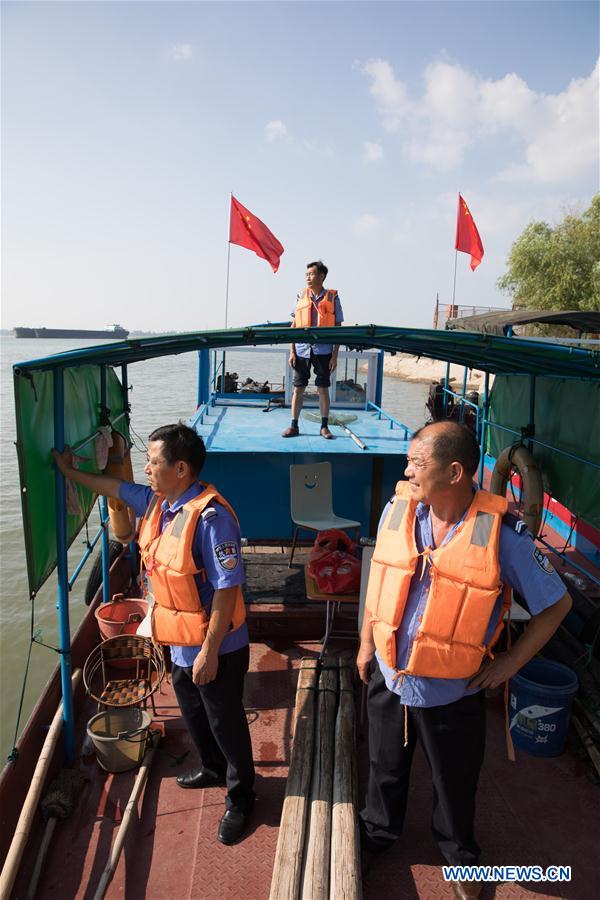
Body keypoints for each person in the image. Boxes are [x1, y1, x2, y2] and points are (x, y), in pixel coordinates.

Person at [357, 421, 571, 900]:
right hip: (391, 678)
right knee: (383, 767)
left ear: (455, 472)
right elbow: (380, 576)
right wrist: (367, 643)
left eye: (417, 462)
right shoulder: (397, 510)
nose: (406, 470)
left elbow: (556, 605)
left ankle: (459, 857)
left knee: (454, 782)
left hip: (453, 691)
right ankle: (377, 835)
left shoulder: (505, 537)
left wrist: (510, 664)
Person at [52, 423, 255, 845]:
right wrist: (69, 473)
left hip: (215, 645)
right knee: (195, 714)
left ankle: (241, 796)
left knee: (226, 721)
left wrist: (209, 652)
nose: (145, 469)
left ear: (180, 468)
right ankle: (213, 768)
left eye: (153, 461)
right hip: (177, 641)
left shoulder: (212, 519)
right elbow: (113, 486)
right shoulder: (158, 505)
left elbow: (226, 590)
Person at [282, 259, 344, 439]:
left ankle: (324, 427)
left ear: (321, 276)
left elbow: (339, 327)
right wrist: (292, 351)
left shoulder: (333, 297)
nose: (308, 277)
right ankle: (294, 425)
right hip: (301, 350)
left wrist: (335, 355)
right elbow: (294, 326)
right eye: (306, 274)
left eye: (311, 274)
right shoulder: (300, 296)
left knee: (322, 388)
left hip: (323, 351)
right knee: (298, 388)